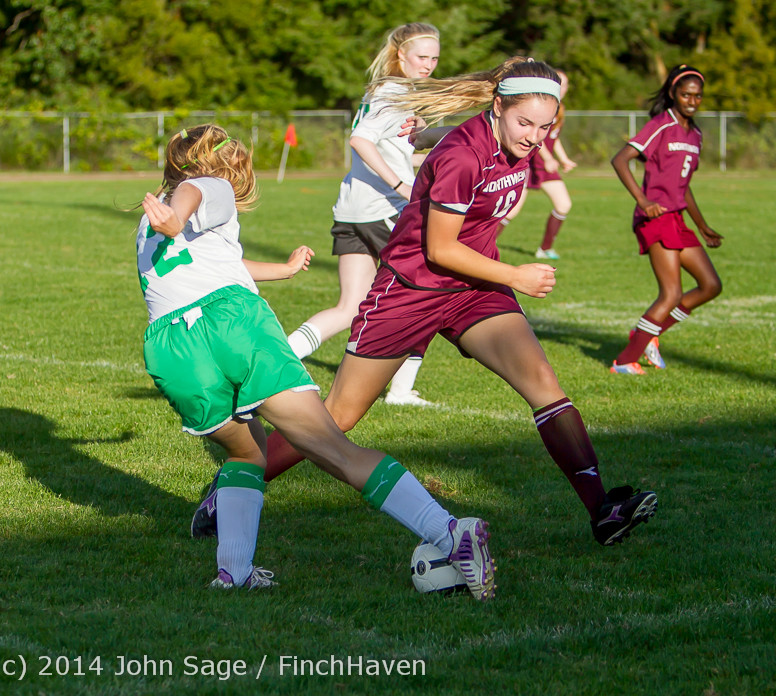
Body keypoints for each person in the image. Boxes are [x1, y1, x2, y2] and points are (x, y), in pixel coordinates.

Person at [195, 59, 658, 549]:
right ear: (498, 107)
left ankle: (602, 509)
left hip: (472, 290)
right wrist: (516, 275)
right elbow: (439, 249)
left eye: (546, 127)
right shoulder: (462, 153)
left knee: (544, 384)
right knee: (338, 417)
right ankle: (228, 491)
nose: (534, 137)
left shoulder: (521, 147)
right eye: (525, 124)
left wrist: (500, 272)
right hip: (411, 291)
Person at [138, 124, 495, 599]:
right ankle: (450, 532)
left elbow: (207, 258)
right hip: (232, 325)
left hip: (172, 347)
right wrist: (178, 215)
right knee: (332, 447)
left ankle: (234, 573)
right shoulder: (207, 186)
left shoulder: (148, 220)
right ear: (227, 163)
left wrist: (280, 269)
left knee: (246, 453)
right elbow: (195, 193)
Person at [286, 23, 441, 407]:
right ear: (400, 54)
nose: (429, 64)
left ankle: (280, 362)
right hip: (383, 211)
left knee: (351, 306)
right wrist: (401, 186)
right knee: (426, 296)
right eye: (422, 56)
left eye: (435, 57)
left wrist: (422, 136)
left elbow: (387, 146)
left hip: (352, 208)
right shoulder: (394, 91)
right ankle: (400, 391)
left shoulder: (386, 90)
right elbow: (360, 140)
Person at [609, 64, 723, 374]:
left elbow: (683, 187)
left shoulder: (696, 133)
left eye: (697, 96)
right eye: (685, 94)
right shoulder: (661, 124)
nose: (692, 101)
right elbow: (620, 159)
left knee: (710, 285)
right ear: (673, 93)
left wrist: (702, 226)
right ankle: (624, 361)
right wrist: (643, 201)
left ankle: (649, 334)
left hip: (677, 219)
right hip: (654, 218)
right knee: (671, 293)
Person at [522, 70, 577, 260]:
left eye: (566, 85)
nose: (563, 88)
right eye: (559, 83)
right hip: (530, 163)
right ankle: (480, 248)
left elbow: (554, 138)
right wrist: (547, 158)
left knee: (563, 204)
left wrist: (563, 159)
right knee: (509, 211)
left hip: (545, 167)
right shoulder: (541, 106)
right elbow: (538, 137)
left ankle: (544, 249)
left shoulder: (559, 107)